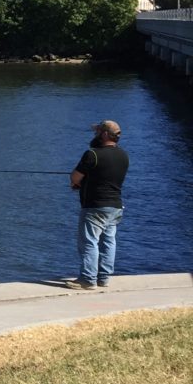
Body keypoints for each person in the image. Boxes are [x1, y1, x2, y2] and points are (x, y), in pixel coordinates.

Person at [67, 119, 129, 290]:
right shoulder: (123, 155)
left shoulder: (92, 154)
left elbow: (75, 178)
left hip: (95, 206)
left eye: (96, 132)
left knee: (89, 242)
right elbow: (105, 177)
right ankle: (103, 278)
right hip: (115, 206)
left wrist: (77, 183)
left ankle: (87, 279)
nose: (94, 135)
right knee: (109, 241)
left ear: (104, 134)